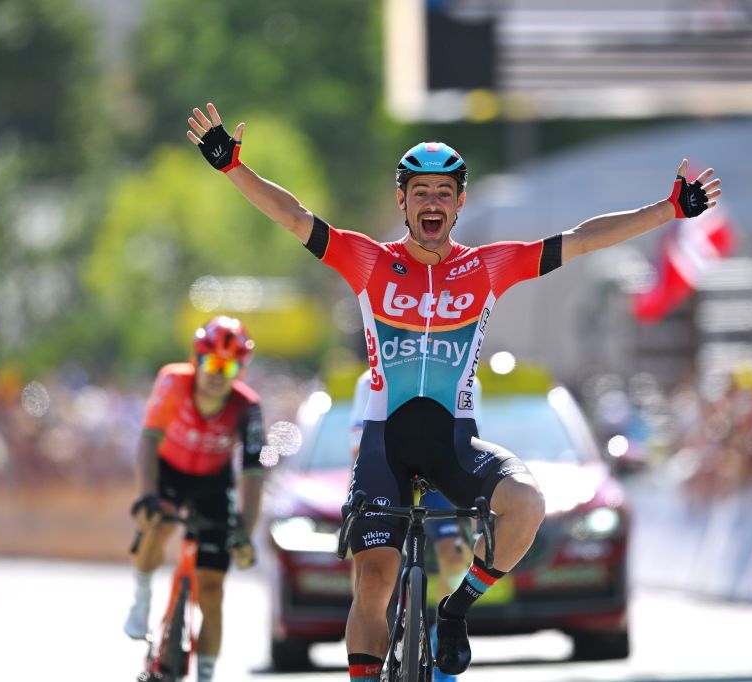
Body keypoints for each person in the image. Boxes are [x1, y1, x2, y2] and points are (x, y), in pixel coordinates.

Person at [186, 102, 720, 680]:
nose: (433, 202)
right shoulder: (368, 261)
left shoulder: (488, 268)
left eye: (444, 192)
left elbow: (584, 239)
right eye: (421, 193)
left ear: (461, 203)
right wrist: (232, 168)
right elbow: (294, 217)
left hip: (455, 443)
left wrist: (668, 209)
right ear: (403, 202)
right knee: (374, 581)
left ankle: (456, 608)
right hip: (385, 445)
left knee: (528, 504)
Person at [124, 315, 266, 682]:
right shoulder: (173, 381)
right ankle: (141, 597)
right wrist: (147, 496)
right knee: (156, 523)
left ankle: (205, 676)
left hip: (214, 485)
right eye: (211, 362)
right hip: (168, 472)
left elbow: (252, 474)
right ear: (196, 359)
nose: (218, 373)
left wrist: (245, 532)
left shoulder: (248, 407)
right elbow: (148, 440)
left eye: (229, 365)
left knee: (213, 591)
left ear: (240, 370)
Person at [348, 370, 481, 682]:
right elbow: (358, 449)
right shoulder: (369, 380)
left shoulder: (464, 375)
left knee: (454, 556)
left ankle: (439, 647)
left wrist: (473, 518)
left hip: (440, 477)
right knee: (369, 577)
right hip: (388, 471)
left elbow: (471, 445)